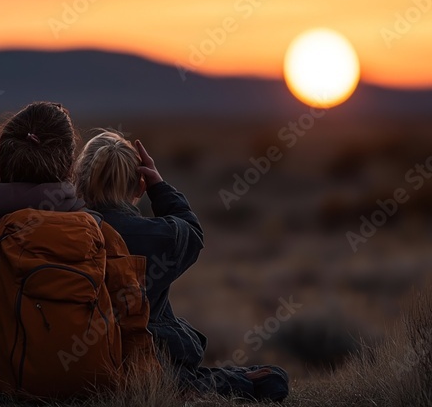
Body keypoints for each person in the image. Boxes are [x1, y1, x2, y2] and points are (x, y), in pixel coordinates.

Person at [75, 130, 290, 402]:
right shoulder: (157, 236)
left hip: (80, 361)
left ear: (79, 182)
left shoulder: (62, 234)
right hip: (149, 364)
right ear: (139, 187)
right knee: (270, 379)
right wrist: (159, 187)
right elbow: (192, 231)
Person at [0, 102, 155, 399]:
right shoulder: (100, 232)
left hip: (5, 388)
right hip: (97, 390)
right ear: (68, 165)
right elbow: (131, 320)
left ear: (3, 159)